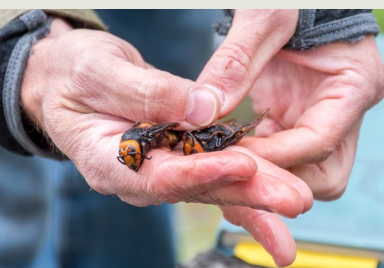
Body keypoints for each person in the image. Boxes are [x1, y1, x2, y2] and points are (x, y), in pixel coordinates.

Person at [0, 9, 382, 268]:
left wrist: (323, 16)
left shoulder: (156, 138)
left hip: (174, 99)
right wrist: (20, 48)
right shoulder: (141, 144)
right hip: (154, 133)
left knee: (170, 70)